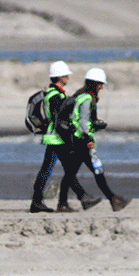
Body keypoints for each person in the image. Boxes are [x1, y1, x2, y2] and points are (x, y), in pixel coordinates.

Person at [30, 61, 101, 213]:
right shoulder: (56, 96)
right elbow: (59, 121)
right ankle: (44, 202)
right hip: (57, 138)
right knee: (55, 170)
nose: (68, 77)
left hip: (55, 138)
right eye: (66, 75)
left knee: (61, 169)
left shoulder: (55, 94)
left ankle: (79, 198)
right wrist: (70, 138)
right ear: (60, 77)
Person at [56, 68, 130, 213]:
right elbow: (83, 122)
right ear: (94, 84)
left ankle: (63, 203)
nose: (101, 87)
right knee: (95, 171)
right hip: (82, 142)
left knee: (74, 173)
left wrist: (94, 126)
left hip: (77, 140)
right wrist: (89, 137)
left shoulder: (80, 95)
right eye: (100, 84)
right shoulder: (87, 99)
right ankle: (113, 200)